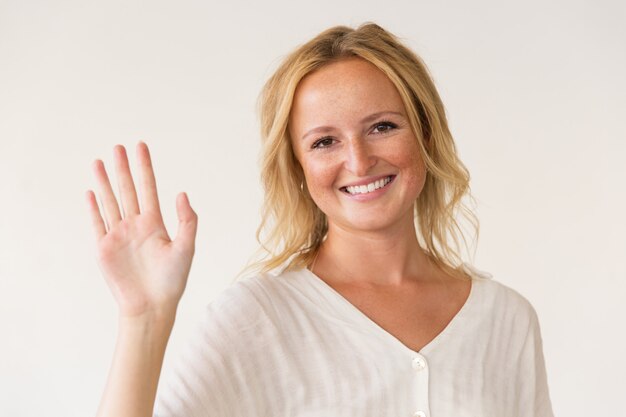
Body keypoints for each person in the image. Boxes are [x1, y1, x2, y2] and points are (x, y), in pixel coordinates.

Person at [87, 22, 554, 417]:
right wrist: (143, 319)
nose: (359, 159)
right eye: (324, 141)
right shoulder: (257, 318)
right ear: (298, 167)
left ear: (426, 137)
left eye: (382, 127)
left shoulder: (507, 320)